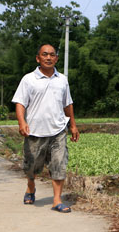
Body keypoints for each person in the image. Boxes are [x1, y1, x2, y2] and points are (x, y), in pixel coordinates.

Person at [12, 44, 80, 213]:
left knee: (59, 164)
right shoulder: (28, 79)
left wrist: (73, 125)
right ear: (38, 58)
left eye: (52, 55)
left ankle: (57, 200)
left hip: (58, 131)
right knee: (31, 166)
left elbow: (68, 103)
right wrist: (22, 122)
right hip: (34, 131)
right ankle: (31, 187)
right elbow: (20, 103)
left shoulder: (62, 80)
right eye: (45, 55)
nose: (48, 58)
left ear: (56, 58)